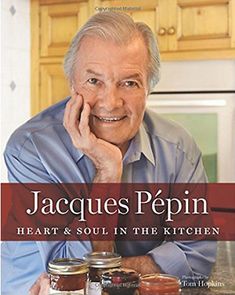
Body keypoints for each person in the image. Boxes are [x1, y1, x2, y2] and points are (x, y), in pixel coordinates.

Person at [2, 11, 216, 295]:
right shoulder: (31, 150)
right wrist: (108, 170)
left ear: (148, 89)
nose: (111, 102)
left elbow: (198, 258)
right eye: (94, 81)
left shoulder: (177, 149)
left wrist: (115, 272)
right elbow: (66, 278)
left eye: (129, 82)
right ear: (72, 84)